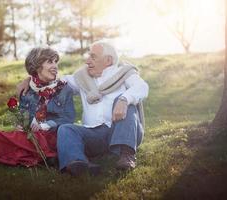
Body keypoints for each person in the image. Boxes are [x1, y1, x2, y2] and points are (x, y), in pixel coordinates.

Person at [17, 41, 149, 176]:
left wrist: (124, 99)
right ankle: (77, 162)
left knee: (126, 101)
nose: (87, 61)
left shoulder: (125, 73)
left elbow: (142, 87)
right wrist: (29, 79)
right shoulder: (82, 77)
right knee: (65, 128)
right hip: (94, 135)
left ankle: (127, 155)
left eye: (93, 57)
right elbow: (53, 81)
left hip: (121, 131)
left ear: (108, 60)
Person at [0, 47, 75, 168]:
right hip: (31, 136)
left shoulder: (65, 89)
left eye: (56, 62)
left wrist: (44, 126)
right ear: (37, 66)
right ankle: (45, 156)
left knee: (36, 138)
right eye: (50, 62)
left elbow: (68, 118)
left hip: (52, 135)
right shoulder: (27, 90)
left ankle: (38, 155)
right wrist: (23, 125)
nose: (55, 66)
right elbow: (23, 114)